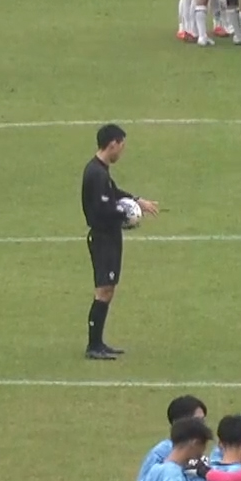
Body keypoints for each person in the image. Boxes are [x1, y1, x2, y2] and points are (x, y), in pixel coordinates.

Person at [80, 125, 157, 360]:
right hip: (103, 238)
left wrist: (136, 200)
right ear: (112, 144)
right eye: (121, 146)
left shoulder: (101, 170)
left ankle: (98, 343)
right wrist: (127, 215)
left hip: (109, 237)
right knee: (103, 290)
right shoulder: (96, 173)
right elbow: (104, 208)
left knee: (108, 290)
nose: (121, 152)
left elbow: (113, 193)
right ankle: (94, 346)